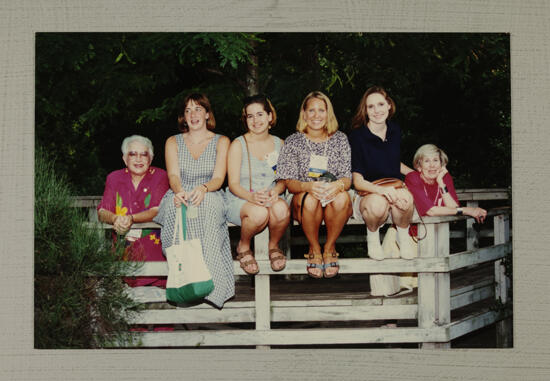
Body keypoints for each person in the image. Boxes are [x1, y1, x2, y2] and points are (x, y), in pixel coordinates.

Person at [154, 93, 234, 309]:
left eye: (198, 109)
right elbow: (173, 176)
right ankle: (185, 282)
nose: (193, 114)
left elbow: (219, 178)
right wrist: (179, 192)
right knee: (175, 209)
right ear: (183, 117)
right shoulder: (173, 141)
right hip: (181, 191)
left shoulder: (221, 141)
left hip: (209, 191)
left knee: (206, 209)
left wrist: (204, 188)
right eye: (188, 110)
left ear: (207, 114)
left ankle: (213, 287)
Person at [276, 91, 352, 278]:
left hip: (333, 197)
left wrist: (337, 186)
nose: (316, 115)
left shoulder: (340, 139)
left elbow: (347, 179)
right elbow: (289, 183)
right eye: (311, 110)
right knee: (310, 200)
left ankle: (330, 246)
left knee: (342, 197)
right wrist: (308, 187)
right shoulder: (293, 141)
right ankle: (314, 248)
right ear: (304, 114)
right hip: (304, 198)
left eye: (321, 110)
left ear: (328, 113)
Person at [349, 86, 416, 260]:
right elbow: (357, 181)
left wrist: (416, 175)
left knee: (406, 199)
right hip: (367, 192)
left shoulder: (395, 131)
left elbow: (393, 163)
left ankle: (403, 236)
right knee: (377, 205)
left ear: (389, 106)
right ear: (365, 110)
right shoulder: (357, 136)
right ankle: (372, 238)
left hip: (393, 186)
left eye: (380, 104)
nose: (377, 110)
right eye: (371, 107)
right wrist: (383, 192)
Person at [226, 94, 290, 274]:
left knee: (281, 209)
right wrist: (251, 197)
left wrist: (276, 190)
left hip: (270, 196)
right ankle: (244, 246)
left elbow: (283, 180)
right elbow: (233, 184)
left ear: (270, 116)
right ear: (245, 120)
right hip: (242, 198)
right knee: (259, 213)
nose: (256, 120)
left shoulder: (280, 144)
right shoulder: (238, 144)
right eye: (250, 116)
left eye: (260, 114)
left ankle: (274, 246)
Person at [97, 135, 169, 288]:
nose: (138, 159)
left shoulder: (160, 176)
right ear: (124, 159)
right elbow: (103, 211)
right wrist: (115, 218)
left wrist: (131, 218)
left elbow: (157, 210)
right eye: (132, 154)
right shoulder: (114, 178)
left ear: (151, 158)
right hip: (123, 258)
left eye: (144, 154)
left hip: (155, 260)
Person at [405, 143, 487, 222]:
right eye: (427, 161)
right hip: (414, 233)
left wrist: (441, 183)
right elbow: (431, 211)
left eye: (435, 160)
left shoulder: (445, 177)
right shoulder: (413, 178)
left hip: (440, 230)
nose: (432, 165)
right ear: (419, 167)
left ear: (441, 164)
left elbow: (453, 208)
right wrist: (468, 210)